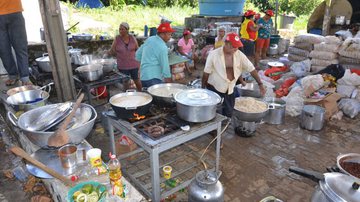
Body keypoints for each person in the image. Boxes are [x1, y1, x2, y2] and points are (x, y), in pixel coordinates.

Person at [202, 33, 265, 118]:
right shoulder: (213, 54)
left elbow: (252, 69)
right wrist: (203, 89)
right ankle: (215, 130)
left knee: (228, 113)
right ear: (226, 44)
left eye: (237, 46)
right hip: (215, 88)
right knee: (214, 113)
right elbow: (206, 73)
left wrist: (260, 84)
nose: (236, 49)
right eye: (234, 46)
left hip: (230, 89)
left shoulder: (239, 54)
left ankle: (225, 127)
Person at [0, 0, 32, 86]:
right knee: (3, 50)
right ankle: (12, 75)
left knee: (20, 47)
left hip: (15, 12)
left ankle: (25, 78)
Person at [135, 22, 175, 88]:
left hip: (143, 78)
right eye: (169, 34)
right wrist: (170, 85)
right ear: (162, 34)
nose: (170, 37)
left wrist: (142, 68)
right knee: (157, 98)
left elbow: (138, 55)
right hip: (154, 79)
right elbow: (165, 68)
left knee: (148, 97)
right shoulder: (162, 47)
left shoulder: (150, 39)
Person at [108, 22, 142, 91]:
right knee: (125, 82)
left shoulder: (132, 38)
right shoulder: (117, 39)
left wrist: (140, 61)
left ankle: (141, 92)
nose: (120, 31)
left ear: (127, 30)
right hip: (123, 65)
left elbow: (137, 49)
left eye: (122, 29)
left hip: (134, 64)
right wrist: (110, 53)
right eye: (119, 29)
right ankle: (126, 95)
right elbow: (112, 50)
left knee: (137, 80)